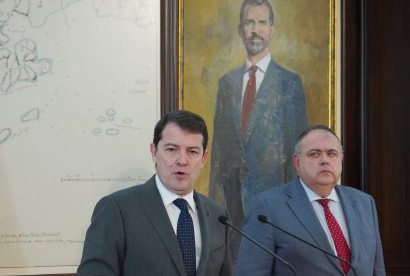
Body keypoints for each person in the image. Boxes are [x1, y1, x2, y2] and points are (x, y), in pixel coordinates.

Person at [209, 0, 308, 264]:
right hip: (231, 211)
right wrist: (214, 209)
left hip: (274, 208)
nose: (255, 29)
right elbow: (218, 153)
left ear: (272, 30)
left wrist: (293, 211)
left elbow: (298, 154)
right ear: (241, 29)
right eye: (249, 22)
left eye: (262, 22)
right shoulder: (227, 83)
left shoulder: (289, 84)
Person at [77, 110, 231, 276]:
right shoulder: (117, 209)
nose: (182, 160)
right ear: (154, 152)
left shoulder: (219, 216)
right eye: (172, 149)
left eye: (192, 152)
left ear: (203, 158)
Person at [235, 125, 386, 275]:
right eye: (314, 154)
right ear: (297, 162)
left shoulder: (364, 203)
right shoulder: (267, 207)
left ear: (341, 159)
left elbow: (377, 270)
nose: (324, 160)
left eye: (332, 154)